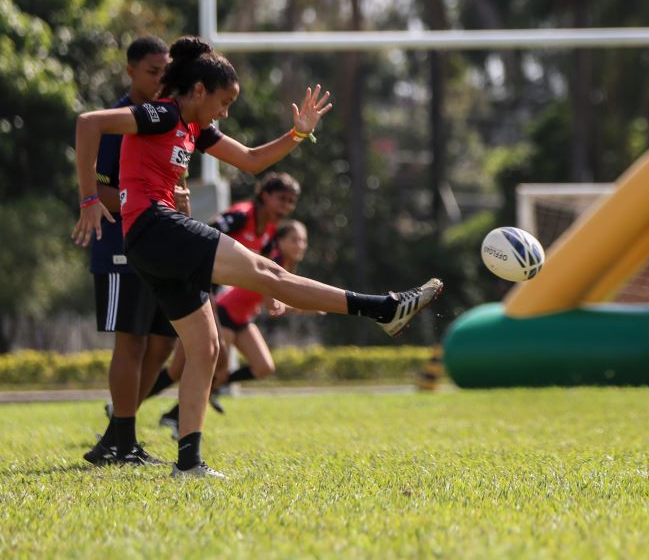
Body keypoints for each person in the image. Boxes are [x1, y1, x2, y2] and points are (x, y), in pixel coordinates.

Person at [73, 36, 443, 479]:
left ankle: (188, 463)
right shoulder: (162, 113)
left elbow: (250, 161)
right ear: (197, 91)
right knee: (268, 272)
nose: (225, 113)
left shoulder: (195, 128)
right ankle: (381, 307)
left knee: (206, 348)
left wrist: (299, 133)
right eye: (223, 102)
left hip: (152, 242)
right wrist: (89, 198)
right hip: (155, 229)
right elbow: (88, 123)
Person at [83, 36, 188, 467]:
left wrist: (171, 198)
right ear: (130, 71)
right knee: (132, 343)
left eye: (166, 71)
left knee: (162, 344)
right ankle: (122, 439)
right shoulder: (120, 120)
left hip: (156, 246)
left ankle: (116, 432)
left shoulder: (163, 119)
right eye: (152, 71)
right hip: (121, 246)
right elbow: (100, 188)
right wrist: (146, 201)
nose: (161, 79)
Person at [145, 170, 302, 421]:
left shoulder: (270, 232)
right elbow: (202, 240)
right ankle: (162, 416)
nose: (287, 206)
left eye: (291, 201)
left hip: (212, 295)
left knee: (179, 369)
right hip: (198, 289)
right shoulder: (240, 216)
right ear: (264, 195)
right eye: (282, 199)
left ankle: (136, 410)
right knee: (214, 361)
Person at [152, 219, 316, 436]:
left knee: (264, 366)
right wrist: (313, 306)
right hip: (226, 314)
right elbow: (274, 306)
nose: (300, 245)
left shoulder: (285, 264)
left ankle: (204, 396)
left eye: (303, 240)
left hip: (243, 319)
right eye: (294, 240)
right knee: (199, 371)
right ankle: (172, 418)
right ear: (281, 241)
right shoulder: (273, 259)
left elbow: (271, 304)